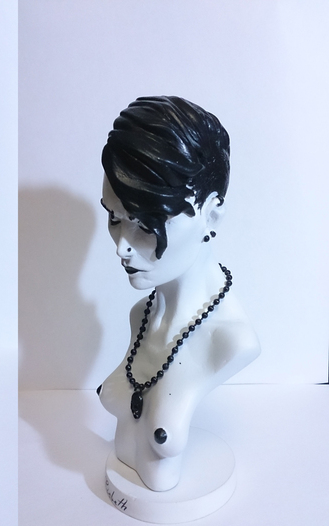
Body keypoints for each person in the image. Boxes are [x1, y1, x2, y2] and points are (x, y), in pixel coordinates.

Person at [97, 96, 260, 492]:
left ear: (211, 214)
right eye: (114, 218)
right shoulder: (141, 315)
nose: (122, 246)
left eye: (145, 224)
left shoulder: (231, 342)